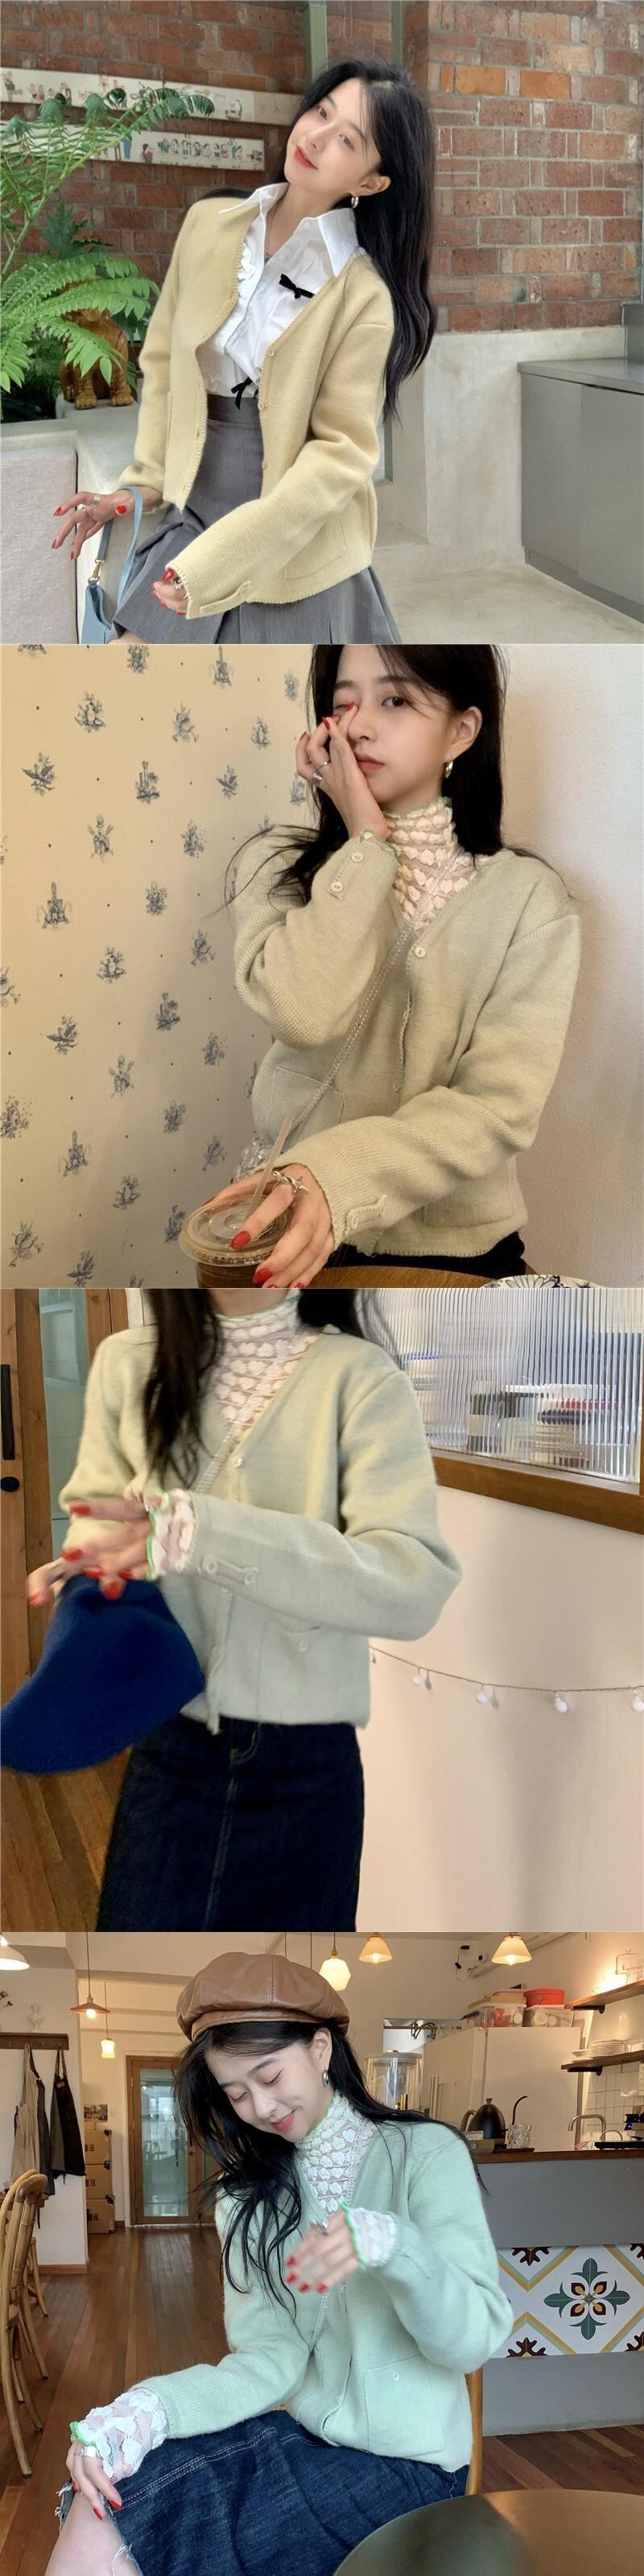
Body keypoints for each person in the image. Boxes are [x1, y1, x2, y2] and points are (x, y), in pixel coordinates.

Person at [49, 1951, 514, 2576]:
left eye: (270, 2076)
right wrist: (145, 2411)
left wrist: (394, 2247)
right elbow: (270, 2358)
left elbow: (471, 2344)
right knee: (109, 2495)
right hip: (307, 2440)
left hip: (411, 2469)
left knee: (142, 2521)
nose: (261, 2108)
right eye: (237, 2093)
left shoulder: (426, 2155)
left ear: (320, 2049)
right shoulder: (248, 2199)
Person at [27, 1289, 460, 1929]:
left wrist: (202, 1534)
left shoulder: (362, 1377)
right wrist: (89, 1572)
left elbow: (412, 1584)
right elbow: (97, 1512)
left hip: (308, 1762)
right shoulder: (127, 1362)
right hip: (169, 1742)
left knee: (300, 1967)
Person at [206, 642, 580, 1284]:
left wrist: (335, 1175)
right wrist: (366, 843)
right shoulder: (277, 867)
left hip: (452, 1258)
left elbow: (497, 1108)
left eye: (396, 700)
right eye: (343, 703)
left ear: (460, 731)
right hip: (283, 1233)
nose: (358, 726)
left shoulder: (530, 901)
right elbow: (304, 1014)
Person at [50, 61, 436, 642]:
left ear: (370, 183)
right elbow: (163, 363)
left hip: (291, 536)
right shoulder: (208, 224)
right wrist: (145, 483)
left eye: (347, 140)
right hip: (192, 505)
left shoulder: (363, 297)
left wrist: (222, 562)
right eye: (321, 112)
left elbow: (340, 456)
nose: (316, 137)